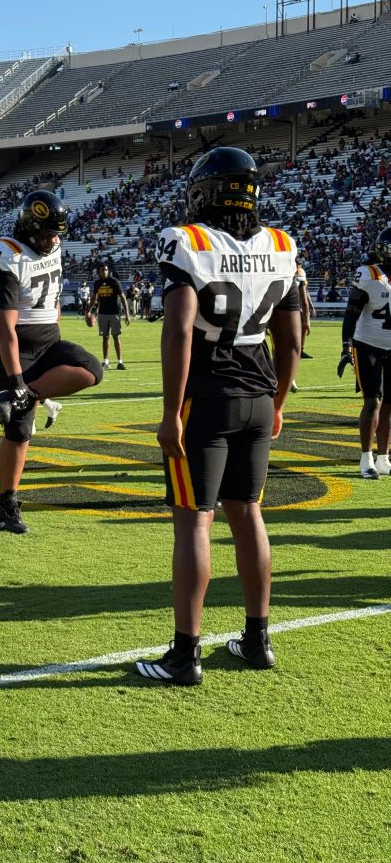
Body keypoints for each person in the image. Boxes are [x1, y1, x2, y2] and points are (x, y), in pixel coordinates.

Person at [135, 146, 301, 686]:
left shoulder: (188, 241)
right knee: (248, 514)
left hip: (206, 395)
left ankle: (185, 654)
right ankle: (257, 640)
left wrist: (168, 412)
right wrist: (278, 401)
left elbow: (180, 330)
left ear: (207, 191)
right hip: (258, 390)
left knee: (195, 520)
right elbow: (292, 335)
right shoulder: (282, 243)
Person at [0, 191, 102, 533]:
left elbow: (55, 295)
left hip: (48, 339)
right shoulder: (7, 253)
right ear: (30, 226)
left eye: (55, 232)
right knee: (19, 429)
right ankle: (6, 504)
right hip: (6, 344)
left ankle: (27, 397)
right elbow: (5, 328)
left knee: (90, 369)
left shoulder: (54, 244)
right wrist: (16, 379)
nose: (52, 239)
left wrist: (25, 390)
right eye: (46, 233)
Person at [338, 230, 391, 479]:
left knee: (389, 405)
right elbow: (352, 312)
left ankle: (384, 458)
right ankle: (365, 459)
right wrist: (346, 347)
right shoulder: (368, 274)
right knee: (373, 402)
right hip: (368, 345)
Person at [89, 263, 130, 370]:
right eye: (102, 270)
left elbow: (123, 297)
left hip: (114, 313)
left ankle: (120, 362)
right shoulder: (97, 283)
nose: (105, 272)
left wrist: (127, 314)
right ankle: (106, 361)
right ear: (99, 271)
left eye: (106, 270)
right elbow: (94, 298)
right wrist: (88, 310)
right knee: (105, 337)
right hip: (102, 313)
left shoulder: (114, 282)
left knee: (116, 336)